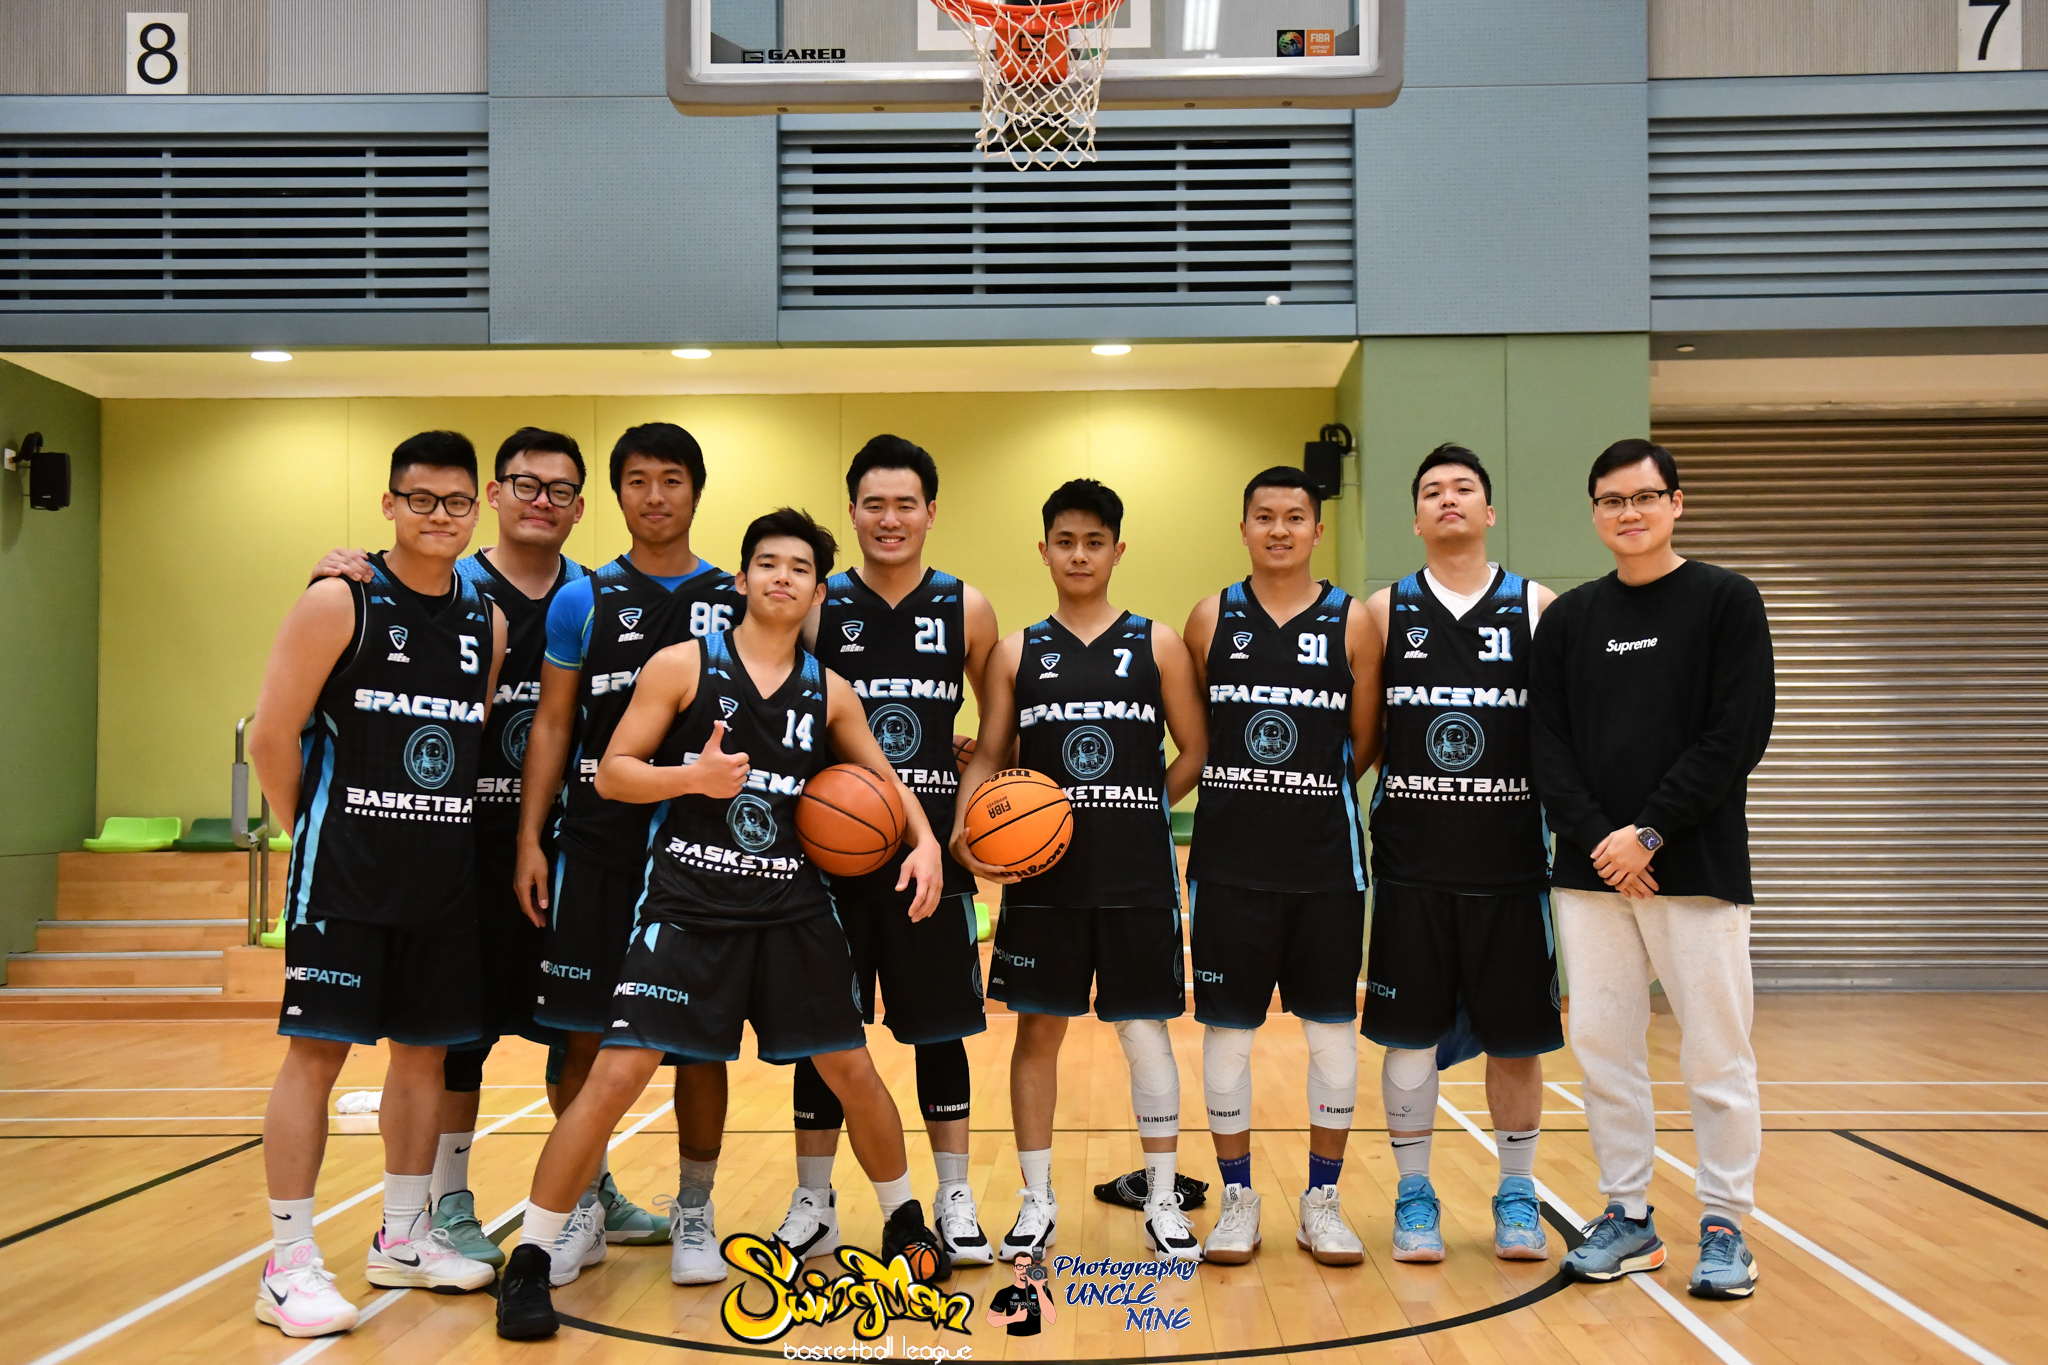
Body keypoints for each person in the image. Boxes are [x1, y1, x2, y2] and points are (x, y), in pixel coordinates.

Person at [495, 509, 951, 1340]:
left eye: (800, 568)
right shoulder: (682, 664)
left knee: (851, 1068)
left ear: (818, 591)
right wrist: (691, 777)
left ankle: (904, 1223)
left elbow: (885, 782)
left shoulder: (829, 689)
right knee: (615, 1074)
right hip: (687, 903)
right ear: (741, 580)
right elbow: (613, 773)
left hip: (791, 906)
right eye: (767, 563)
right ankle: (528, 1259)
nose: (783, 576)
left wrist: (923, 842)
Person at [307, 428, 645, 1267]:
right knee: (458, 1037)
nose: (542, 501)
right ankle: (449, 1200)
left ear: (580, 506)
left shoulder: (594, 596)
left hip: (564, 847)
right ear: (493, 494)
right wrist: (342, 567)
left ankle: (588, 1185)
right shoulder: (449, 587)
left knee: (579, 1030)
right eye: (525, 484)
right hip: (458, 848)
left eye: (560, 490)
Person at [248, 431, 508, 1337]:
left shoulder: (486, 621)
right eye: (421, 499)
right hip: (345, 879)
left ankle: (403, 1234)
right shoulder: (340, 599)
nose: (440, 516)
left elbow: (463, 735)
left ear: (476, 509)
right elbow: (270, 736)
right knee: (316, 1055)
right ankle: (287, 1262)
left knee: (424, 1054)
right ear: (390, 504)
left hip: (440, 878)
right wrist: (315, 830)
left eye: (456, 501)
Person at [1530, 438, 1774, 1300]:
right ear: (1595, 512)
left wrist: (1650, 832)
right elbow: (1546, 745)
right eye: (1611, 500)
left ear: (1676, 502)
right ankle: (1628, 1215)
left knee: (1716, 1052)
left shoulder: (1726, 601)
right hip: (1592, 873)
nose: (1627, 512)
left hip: (1697, 869)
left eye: (1643, 497)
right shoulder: (1570, 619)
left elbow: (1737, 733)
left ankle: (1725, 1223)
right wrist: (1605, 839)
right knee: (1604, 1049)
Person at [952, 479, 1209, 1265]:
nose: (1079, 554)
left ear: (1117, 550)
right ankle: (1037, 1200)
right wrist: (967, 825)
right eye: (1065, 541)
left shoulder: (1158, 643)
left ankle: (1162, 1198)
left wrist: (1138, 806)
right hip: (1045, 884)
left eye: (1094, 541)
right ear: (1044, 550)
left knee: (1146, 1032)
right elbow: (992, 752)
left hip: (1136, 876)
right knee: (1038, 1033)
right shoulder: (1015, 651)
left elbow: (1195, 749)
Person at [516, 422, 744, 1284]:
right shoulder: (582, 598)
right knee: (581, 1037)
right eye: (638, 480)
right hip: (597, 847)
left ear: (697, 491)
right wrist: (531, 836)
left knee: (701, 1046)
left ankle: (695, 1212)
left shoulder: (736, 596)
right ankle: (583, 1208)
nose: (655, 495)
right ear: (615, 495)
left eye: (672, 479)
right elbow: (552, 724)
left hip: (704, 853)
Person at [777, 436, 1002, 1269]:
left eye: (906, 503)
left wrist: (960, 824)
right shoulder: (817, 603)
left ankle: (954, 1196)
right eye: (874, 503)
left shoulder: (967, 607)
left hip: (932, 857)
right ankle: (814, 1200)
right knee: (824, 1027)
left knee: (940, 1029)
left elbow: (995, 727)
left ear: (931, 511)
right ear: (852, 512)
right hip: (828, 857)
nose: (890, 518)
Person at [1360, 444, 1562, 1264]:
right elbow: (1362, 735)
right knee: (1409, 1038)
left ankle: (1517, 1192)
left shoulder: (1536, 606)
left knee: (1517, 1041)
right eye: (1433, 491)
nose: (1449, 499)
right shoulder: (1382, 610)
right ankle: (1415, 1195)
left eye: (1464, 488)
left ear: (1488, 511)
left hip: (1510, 864)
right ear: (1415, 519)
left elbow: (1561, 734)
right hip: (1411, 864)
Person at [1180, 465, 1380, 1266]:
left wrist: (1303, 788)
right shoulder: (1209, 616)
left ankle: (1321, 1199)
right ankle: (1238, 1198)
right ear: (1243, 528)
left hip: (1327, 867)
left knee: (1332, 1037)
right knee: (1227, 1038)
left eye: (1295, 517)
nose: (1279, 530)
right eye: (1264, 516)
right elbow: (1196, 735)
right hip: (1228, 866)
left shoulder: (1353, 620)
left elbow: (1366, 738)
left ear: (1317, 529)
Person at [986, 1253, 1057, 1336]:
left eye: (1027, 1266)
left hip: (1035, 1338)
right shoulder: (1004, 1293)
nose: (1024, 1270)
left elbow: (1052, 1318)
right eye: (1020, 1266)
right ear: (1014, 1268)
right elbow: (991, 1319)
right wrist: (1014, 1318)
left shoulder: (1043, 1290)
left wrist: (1038, 1288)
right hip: (1012, 1337)